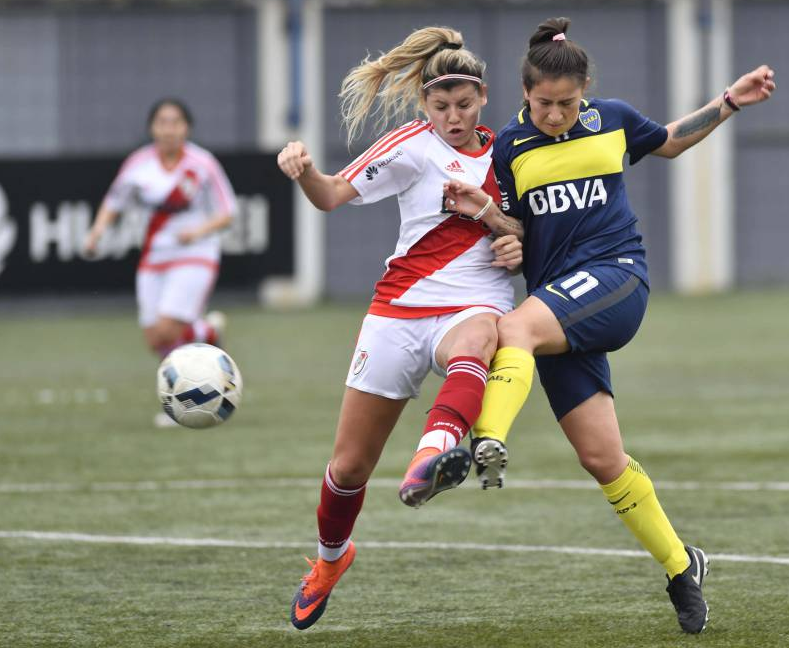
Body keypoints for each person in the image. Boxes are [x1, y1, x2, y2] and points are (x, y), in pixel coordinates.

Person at [441, 17, 776, 634]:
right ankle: (683, 566)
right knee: (602, 458)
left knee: (511, 330)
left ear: (586, 90)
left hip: (616, 277)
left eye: (567, 103)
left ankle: (483, 439)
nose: (556, 115)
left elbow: (671, 140)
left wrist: (729, 101)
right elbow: (518, 231)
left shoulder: (613, 119)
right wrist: (496, 227)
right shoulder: (509, 147)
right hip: (557, 305)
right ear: (524, 93)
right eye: (544, 103)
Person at [275, 27, 523, 631]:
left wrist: (511, 236)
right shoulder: (411, 145)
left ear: (483, 97)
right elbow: (331, 195)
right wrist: (303, 169)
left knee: (480, 339)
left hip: (473, 301)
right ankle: (331, 561)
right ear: (424, 105)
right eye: (441, 107)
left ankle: (431, 458)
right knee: (349, 468)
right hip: (397, 311)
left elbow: (531, 229)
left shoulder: (513, 150)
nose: (453, 117)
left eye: (464, 105)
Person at [83, 99, 237, 428]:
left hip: (196, 253)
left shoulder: (202, 163)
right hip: (155, 256)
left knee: (170, 328)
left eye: (176, 122)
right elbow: (114, 201)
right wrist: (96, 232)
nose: (169, 129)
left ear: (187, 127)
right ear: (153, 127)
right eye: (162, 122)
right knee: (155, 339)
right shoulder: (139, 164)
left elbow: (228, 212)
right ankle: (207, 330)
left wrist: (197, 230)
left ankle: (189, 401)